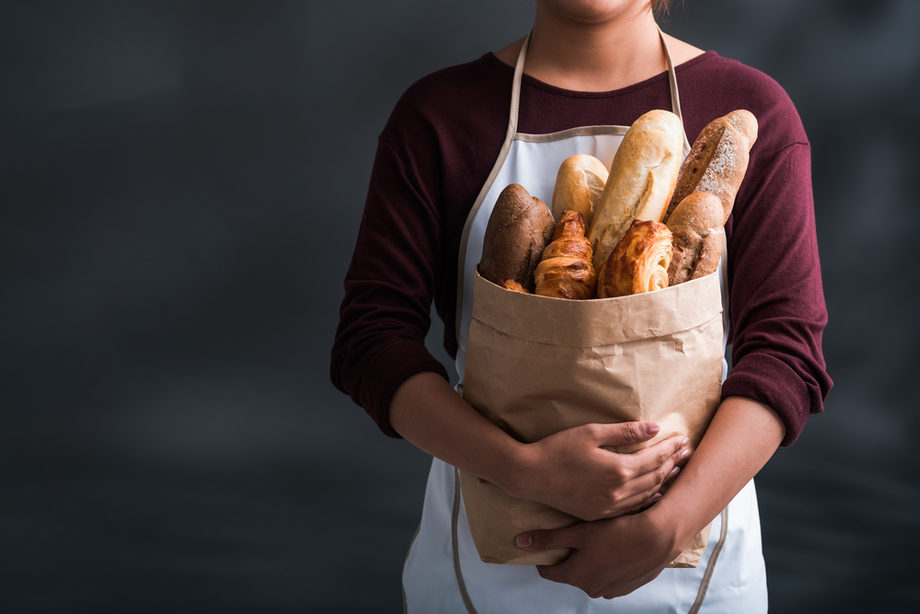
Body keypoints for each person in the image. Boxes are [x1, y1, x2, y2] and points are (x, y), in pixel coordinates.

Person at [330, 0, 832, 611]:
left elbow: (786, 356)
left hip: (694, 570)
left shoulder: (750, 108)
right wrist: (520, 468)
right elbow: (371, 341)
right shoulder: (439, 117)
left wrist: (666, 525)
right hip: (481, 570)